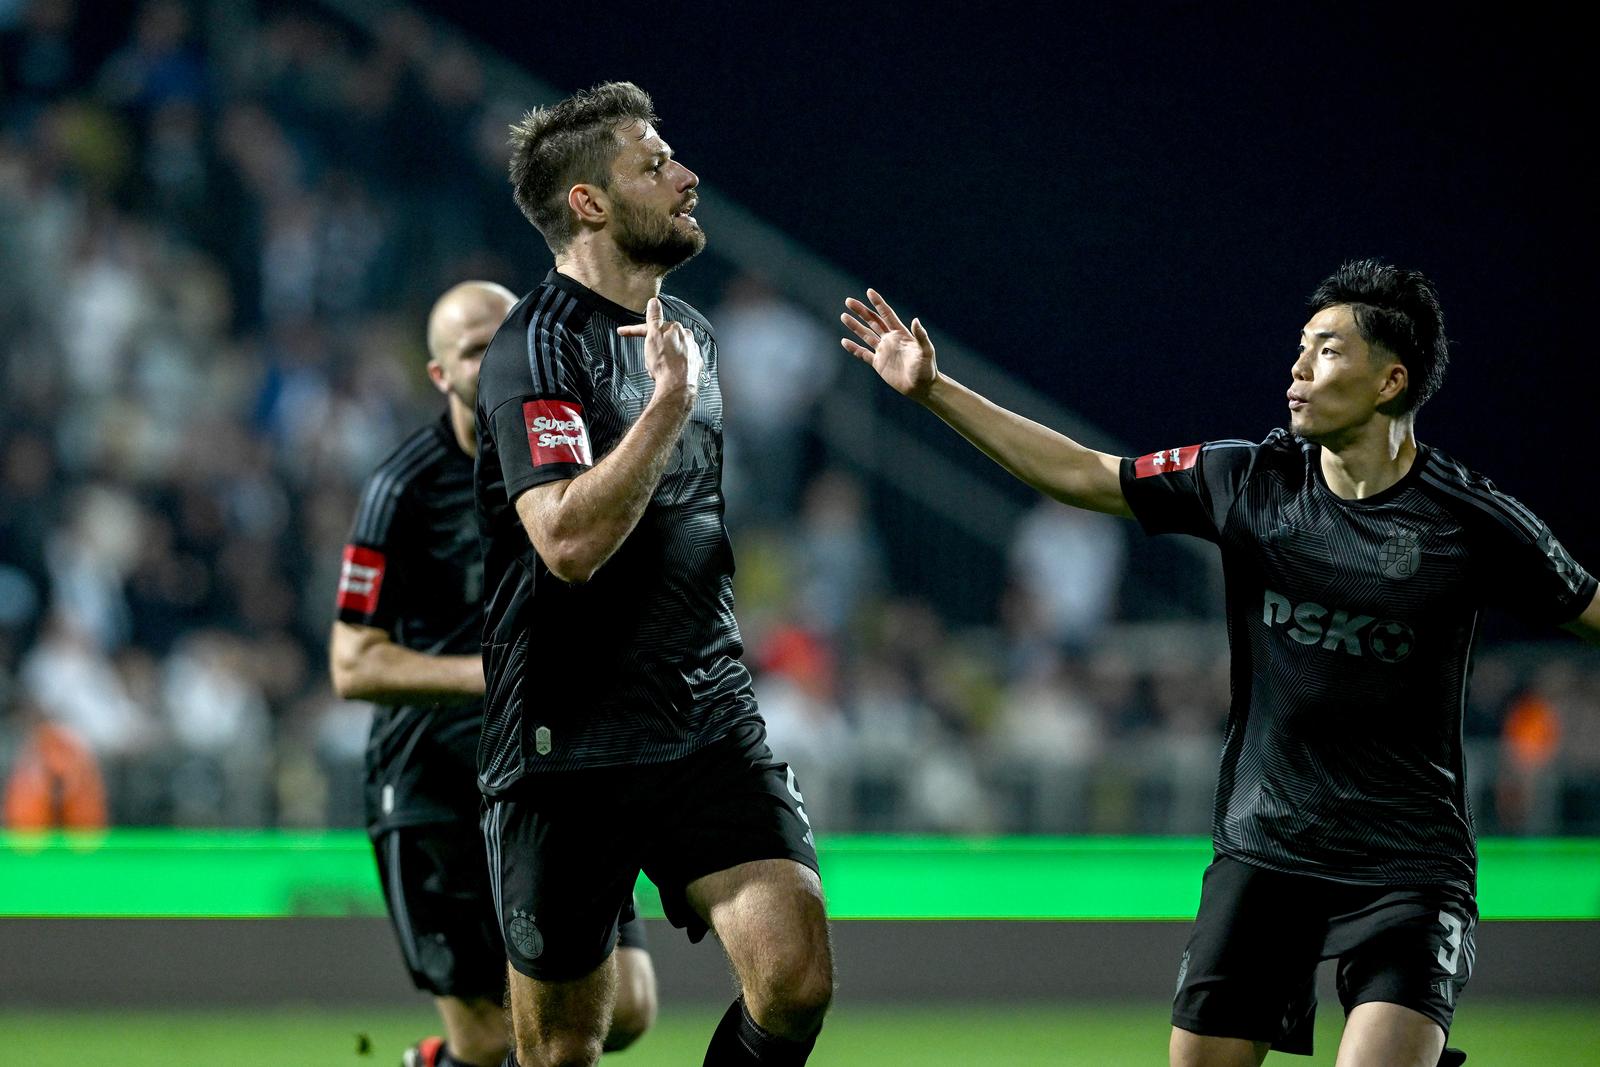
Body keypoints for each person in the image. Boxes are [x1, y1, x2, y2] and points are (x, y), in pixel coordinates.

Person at [840, 261, 1599, 1067]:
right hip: (1266, 848)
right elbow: (1083, 473)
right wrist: (934, 392)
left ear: (1390, 381)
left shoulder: (1469, 519)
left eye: (1328, 351)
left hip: (1408, 866)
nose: (1298, 369)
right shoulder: (1248, 479)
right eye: (1300, 348)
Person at [475, 82, 833, 1067]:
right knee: (562, 1049)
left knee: (795, 978)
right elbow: (565, 541)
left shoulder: (692, 337)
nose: (687, 176)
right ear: (589, 202)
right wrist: (664, 407)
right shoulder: (534, 349)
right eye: (653, 162)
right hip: (564, 735)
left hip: (703, 715)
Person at [329, 281, 657, 1067]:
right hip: (434, 774)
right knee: (491, 1037)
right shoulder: (402, 489)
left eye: (506, 337)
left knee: (629, 1007)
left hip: (550, 765)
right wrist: (493, 675)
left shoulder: (571, 455)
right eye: (474, 349)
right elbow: (352, 661)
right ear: (440, 376)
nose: (497, 357)